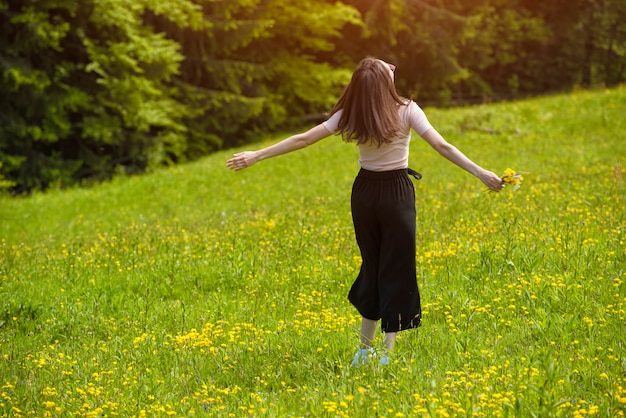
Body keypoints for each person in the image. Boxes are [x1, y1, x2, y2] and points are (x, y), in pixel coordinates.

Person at [226, 57, 503, 366]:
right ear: (384, 83)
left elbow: (304, 139)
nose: (394, 67)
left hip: (364, 194)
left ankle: (363, 351)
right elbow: (443, 147)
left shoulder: (351, 114)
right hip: (396, 194)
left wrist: (257, 155)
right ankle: (385, 354)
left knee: (373, 266)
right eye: (389, 69)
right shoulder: (408, 109)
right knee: (395, 268)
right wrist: (481, 173)